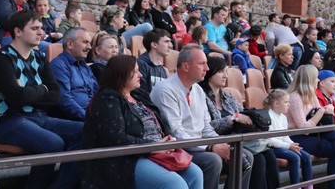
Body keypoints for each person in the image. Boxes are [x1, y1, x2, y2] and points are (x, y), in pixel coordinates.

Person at [0, 10, 84, 189]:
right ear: (18, 31)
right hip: (6, 122)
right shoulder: (0, 58)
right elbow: (15, 98)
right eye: (35, 28)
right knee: (53, 143)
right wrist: (41, 89)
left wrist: (29, 94)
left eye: (42, 28)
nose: (41, 32)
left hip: (39, 118)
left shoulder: (39, 57)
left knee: (86, 131)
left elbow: (55, 96)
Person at [81, 54, 204, 189]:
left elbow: (160, 121)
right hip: (127, 158)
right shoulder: (107, 99)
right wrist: (153, 146)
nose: (140, 75)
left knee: (195, 173)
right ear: (121, 74)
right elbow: (115, 138)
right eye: (135, 72)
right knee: (174, 184)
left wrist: (168, 140)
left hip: (158, 150)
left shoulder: (139, 94)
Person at [151, 44, 234, 189]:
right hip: (178, 149)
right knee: (213, 160)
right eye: (202, 63)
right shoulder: (166, 89)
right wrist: (210, 147)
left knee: (241, 155)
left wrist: (220, 144)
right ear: (186, 66)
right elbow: (176, 132)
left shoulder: (198, 90)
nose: (207, 68)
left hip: (198, 146)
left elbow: (206, 127)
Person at [286, 64, 335, 189]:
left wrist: (325, 112)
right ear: (309, 78)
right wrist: (322, 111)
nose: (318, 80)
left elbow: (317, 121)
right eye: (316, 77)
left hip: (312, 134)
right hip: (295, 137)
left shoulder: (311, 95)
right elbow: (303, 128)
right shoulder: (295, 97)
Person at [199, 55, 268, 189]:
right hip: (212, 143)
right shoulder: (201, 95)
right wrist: (232, 118)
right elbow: (206, 127)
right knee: (250, 158)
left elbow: (242, 113)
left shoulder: (227, 95)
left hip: (234, 140)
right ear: (210, 72)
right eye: (220, 72)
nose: (225, 76)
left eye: (225, 72)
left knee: (266, 156)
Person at [263, 89, 314, 189]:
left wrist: (293, 145)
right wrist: (288, 146)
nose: (289, 105)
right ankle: (296, 186)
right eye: (286, 102)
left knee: (306, 156)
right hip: (272, 148)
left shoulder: (283, 117)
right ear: (276, 103)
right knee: (295, 158)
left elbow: (285, 136)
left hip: (284, 146)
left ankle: (309, 186)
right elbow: (270, 140)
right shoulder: (268, 116)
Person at [49, 27, 98, 120]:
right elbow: (64, 101)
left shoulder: (84, 66)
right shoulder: (58, 66)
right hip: (75, 119)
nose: (89, 47)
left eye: (89, 43)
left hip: (93, 113)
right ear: (70, 44)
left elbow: (97, 92)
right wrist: (90, 119)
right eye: (85, 42)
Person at [138, 28, 172, 95]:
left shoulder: (163, 70)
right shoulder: (140, 64)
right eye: (166, 42)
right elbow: (141, 94)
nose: (170, 46)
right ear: (154, 45)